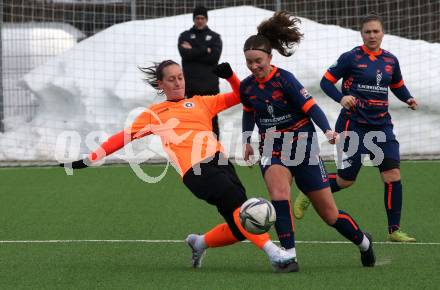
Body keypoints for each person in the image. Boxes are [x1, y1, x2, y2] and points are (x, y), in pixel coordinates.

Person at [60, 60, 297, 273]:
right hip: (195, 170)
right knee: (239, 204)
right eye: (171, 79)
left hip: (221, 163)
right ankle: (274, 254)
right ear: (160, 84)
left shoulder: (202, 103)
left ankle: (199, 242)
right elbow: (123, 137)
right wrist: (90, 158)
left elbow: (243, 96)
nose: (177, 82)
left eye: (180, 77)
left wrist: (231, 77)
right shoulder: (155, 113)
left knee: (238, 227)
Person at [239, 11, 376, 268]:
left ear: (270, 57)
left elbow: (311, 108)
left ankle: (364, 243)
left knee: (329, 214)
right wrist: (247, 140)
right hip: (272, 147)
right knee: (279, 193)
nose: (254, 67)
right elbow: (249, 112)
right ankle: (289, 255)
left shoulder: (285, 80)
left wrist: (326, 130)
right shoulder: (246, 87)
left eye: (258, 61)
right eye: (249, 62)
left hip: (303, 147)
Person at [293, 13, 417, 243]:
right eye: (368, 31)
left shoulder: (391, 60)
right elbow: (325, 82)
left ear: (383, 33)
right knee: (346, 180)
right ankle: (309, 191)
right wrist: (341, 98)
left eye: (376, 31)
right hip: (353, 125)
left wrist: (408, 98)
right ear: (362, 34)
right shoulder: (351, 57)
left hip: (382, 126)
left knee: (392, 175)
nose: (372, 35)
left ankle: (394, 230)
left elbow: (398, 85)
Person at [178, 6, 222, 139]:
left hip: (210, 87)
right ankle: (195, 151)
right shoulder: (184, 36)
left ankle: (215, 151)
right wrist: (206, 50)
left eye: (202, 18)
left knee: (212, 120)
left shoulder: (215, 37)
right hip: (192, 87)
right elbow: (185, 55)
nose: (200, 20)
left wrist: (194, 50)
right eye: (197, 18)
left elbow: (214, 57)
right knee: (193, 120)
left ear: (206, 19)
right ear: (194, 19)